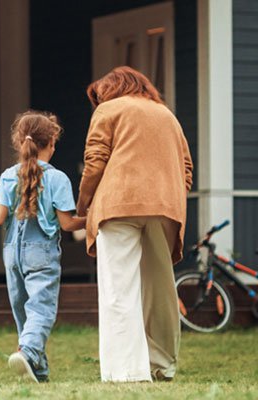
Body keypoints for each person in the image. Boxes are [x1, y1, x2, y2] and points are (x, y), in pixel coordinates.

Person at [0, 110, 84, 383]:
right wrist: (94, 220)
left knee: (23, 309)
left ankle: (38, 367)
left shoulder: (9, 175)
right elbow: (68, 224)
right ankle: (29, 349)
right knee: (42, 309)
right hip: (41, 253)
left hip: (12, 253)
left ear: (19, 142)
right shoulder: (58, 179)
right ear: (52, 143)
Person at [78, 66, 193, 383]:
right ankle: (162, 365)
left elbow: (96, 159)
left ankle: (127, 371)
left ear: (110, 89)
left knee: (120, 288)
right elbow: (186, 167)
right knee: (160, 290)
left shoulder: (109, 109)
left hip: (119, 204)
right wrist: (171, 195)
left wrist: (83, 203)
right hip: (165, 209)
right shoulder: (165, 114)